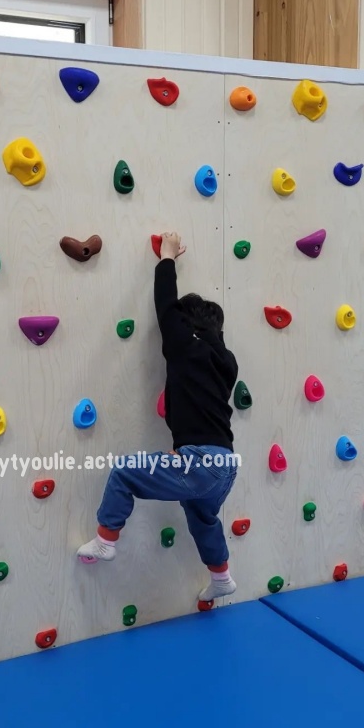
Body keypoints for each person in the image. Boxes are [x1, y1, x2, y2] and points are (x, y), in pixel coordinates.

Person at [77, 232, 239, 602]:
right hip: (226, 464)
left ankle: (105, 540)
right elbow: (201, 402)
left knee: (124, 472)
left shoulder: (185, 346)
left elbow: (165, 305)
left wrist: (166, 257)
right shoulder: (226, 362)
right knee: (202, 517)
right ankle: (222, 577)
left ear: (189, 326)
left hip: (201, 462)